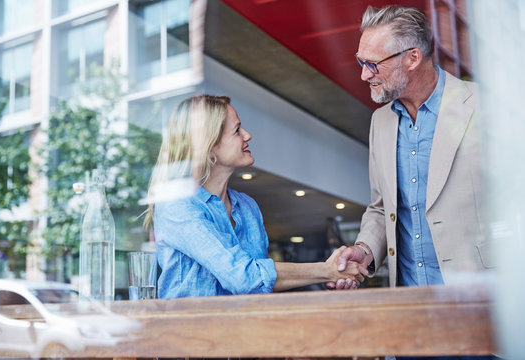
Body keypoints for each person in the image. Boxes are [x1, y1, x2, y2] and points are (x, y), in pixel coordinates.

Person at [330, 5, 496, 360]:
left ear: (412, 58)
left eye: (372, 64)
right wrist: (364, 249)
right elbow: (380, 208)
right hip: (412, 319)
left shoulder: (485, 107)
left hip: (483, 310)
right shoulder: (381, 123)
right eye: (361, 61)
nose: (364, 75)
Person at [143, 94, 366, 299]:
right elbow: (243, 277)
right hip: (190, 337)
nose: (247, 135)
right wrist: (326, 271)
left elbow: (261, 282)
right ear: (209, 147)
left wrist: (329, 274)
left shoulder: (247, 206)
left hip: (247, 333)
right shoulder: (177, 205)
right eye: (237, 130)